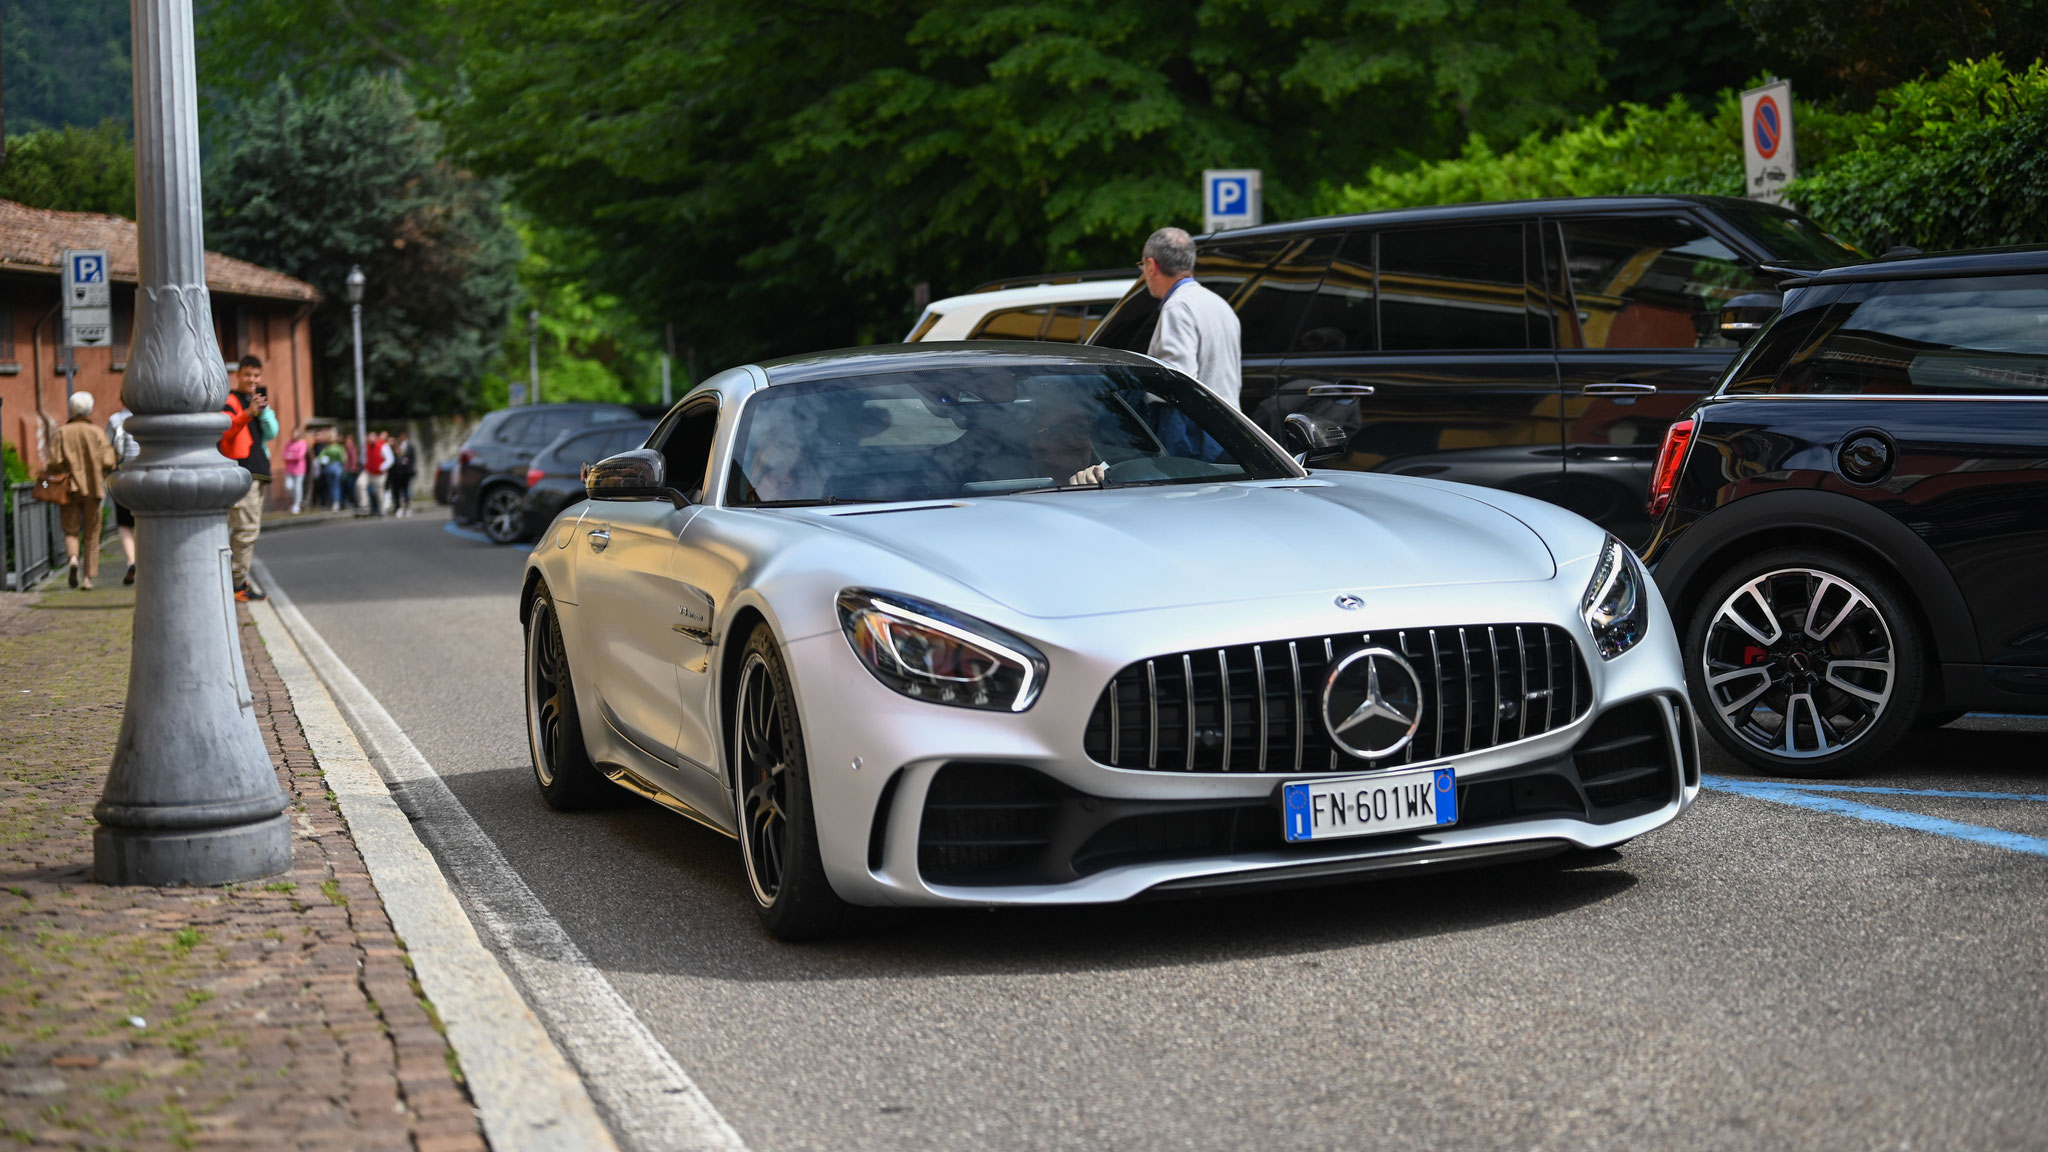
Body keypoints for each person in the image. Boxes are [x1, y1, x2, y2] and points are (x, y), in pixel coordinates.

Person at [1139, 227, 1242, 408]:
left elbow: (1177, 385)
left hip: (1195, 430)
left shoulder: (1177, 308)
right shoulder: (1220, 304)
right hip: (1227, 424)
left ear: (1151, 266)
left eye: (1142, 266)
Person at [44, 392, 117, 590]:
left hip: (68, 488)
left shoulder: (61, 433)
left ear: (71, 409)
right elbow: (109, 460)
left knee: (70, 530)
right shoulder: (96, 433)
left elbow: (53, 462)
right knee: (92, 533)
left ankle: (74, 560)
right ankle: (87, 578)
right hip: (93, 487)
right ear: (89, 410)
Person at [220, 356, 271, 601]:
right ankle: (236, 584)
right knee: (245, 530)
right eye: (248, 374)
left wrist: (261, 412)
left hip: (256, 474)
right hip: (243, 474)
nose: (252, 380)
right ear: (238, 374)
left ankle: (238, 579)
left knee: (248, 530)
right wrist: (248, 413)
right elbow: (226, 430)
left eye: (256, 375)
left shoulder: (254, 403)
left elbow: (272, 432)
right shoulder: (230, 400)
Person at [105, 404, 141, 585]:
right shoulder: (149, 418)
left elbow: (107, 449)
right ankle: (148, 563)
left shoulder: (116, 419)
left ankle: (132, 561)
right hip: (147, 475)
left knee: (125, 524)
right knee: (146, 521)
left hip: (124, 476)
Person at [385, 431, 417, 517]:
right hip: (396, 475)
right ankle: (398, 508)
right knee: (396, 492)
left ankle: (407, 507)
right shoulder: (392, 451)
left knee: (406, 491)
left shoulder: (409, 448)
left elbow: (412, 460)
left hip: (405, 474)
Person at [360, 430, 391, 517]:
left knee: (379, 492)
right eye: (369, 437)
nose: (371, 439)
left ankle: (382, 510)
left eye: (372, 437)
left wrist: (383, 467)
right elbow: (363, 458)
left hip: (379, 473)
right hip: (369, 471)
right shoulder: (366, 446)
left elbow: (390, 459)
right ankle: (364, 505)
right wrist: (366, 465)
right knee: (360, 484)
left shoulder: (383, 446)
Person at [282, 426, 310, 514]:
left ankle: (297, 504)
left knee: (298, 487)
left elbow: (300, 456)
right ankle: (295, 501)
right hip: (289, 470)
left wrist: (290, 456)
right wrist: (291, 456)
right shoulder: (288, 443)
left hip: (299, 469)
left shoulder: (302, 443)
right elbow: (284, 455)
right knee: (289, 486)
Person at [315, 430, 347, 511]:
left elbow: (343, 458)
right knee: (333, 486)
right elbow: (321, 457)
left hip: (334, 467)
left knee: (335, 486)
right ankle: (334, 502)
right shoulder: (330, 448)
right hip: (332, 467)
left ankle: (336, 502)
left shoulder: (336, 447)